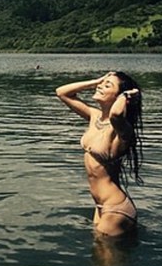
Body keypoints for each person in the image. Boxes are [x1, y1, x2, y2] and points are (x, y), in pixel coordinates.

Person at [55, 71, 144, 237]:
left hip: (115, 208)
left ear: (118, 97)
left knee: (105, 254)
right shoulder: (94, 116)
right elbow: (62, 92)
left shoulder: (122, 129)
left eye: (107, 85)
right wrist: (96, 81)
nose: (100, 86)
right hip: (100, 206)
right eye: (102, 83)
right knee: (99, 252)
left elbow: (116, 115)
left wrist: (126, 96)